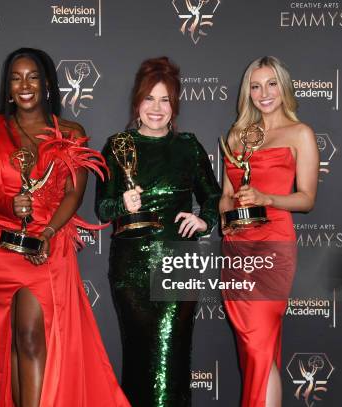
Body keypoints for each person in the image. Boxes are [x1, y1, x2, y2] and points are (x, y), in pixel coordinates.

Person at [0, 48, 129, 407]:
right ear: (8, 86)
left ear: (46, 84)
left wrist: (46, 233)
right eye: (16, 77)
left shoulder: (71, 132)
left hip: (46, 241)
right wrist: (9, 202)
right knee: (10, 341)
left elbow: (74, 193)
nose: (24, 85)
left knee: (30, 336)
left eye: (32, 77)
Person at [95, 57, 222, 407]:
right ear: (137, 103)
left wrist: (204, 219)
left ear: (175, 106)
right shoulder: (117, 146)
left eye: (165, 100)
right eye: (149, 98)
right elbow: (102, 209)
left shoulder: (188, 147)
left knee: (171, 353)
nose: (156, 108)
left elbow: (213, 195)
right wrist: (123, 203)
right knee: (138, 356)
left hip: (177, 261)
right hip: (130, 267)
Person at [219, 56, 318, 407]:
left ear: (284, 87)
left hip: (273, 248)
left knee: (259, 346)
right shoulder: (236, 136)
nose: (264, 93)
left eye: (271, 83)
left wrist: (265, 197)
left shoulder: (300, 133)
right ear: (247, 92)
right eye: (256, 86)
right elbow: (225, 196)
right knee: (254, 349)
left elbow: (306, 199)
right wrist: (230, 210)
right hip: (236, 248)